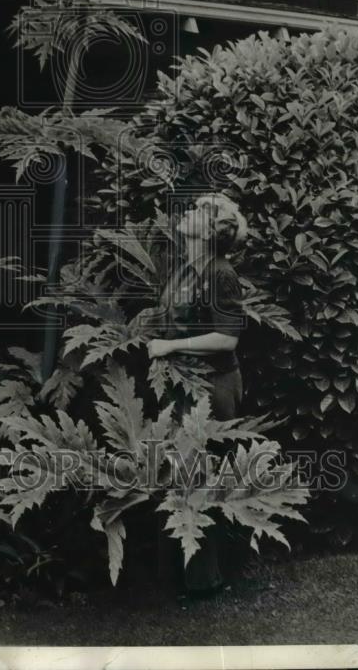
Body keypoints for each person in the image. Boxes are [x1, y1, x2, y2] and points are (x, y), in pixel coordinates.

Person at [146, 191, 249, 596]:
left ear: (209, 231)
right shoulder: (186, 267)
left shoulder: (220, 273)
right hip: (184, 385)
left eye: (195, 212)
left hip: (213, 387)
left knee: (201, 477)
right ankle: (181, 576)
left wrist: (169, 348)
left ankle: (204, 582)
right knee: (181, 475)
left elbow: (227, 338)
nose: (185, 213)